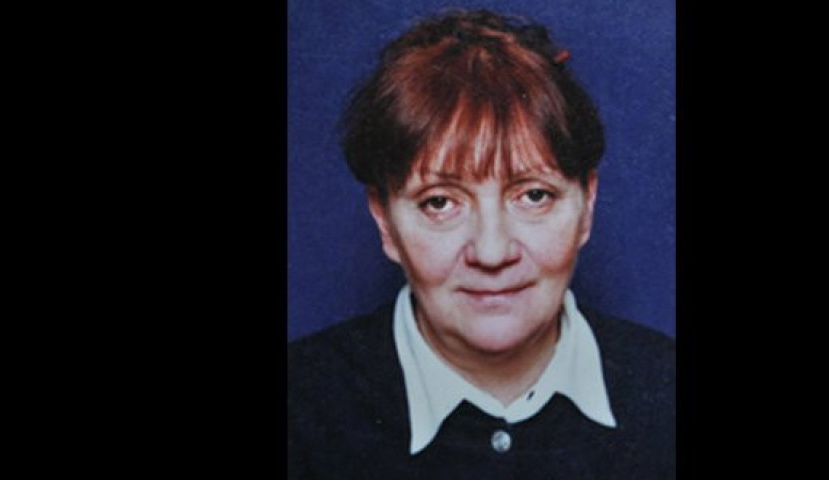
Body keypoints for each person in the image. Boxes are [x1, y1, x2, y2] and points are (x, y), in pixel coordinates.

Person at [288, 9, 674, 479]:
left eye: (534, 196)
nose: (492, 253)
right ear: (385, 221)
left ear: (586, 205)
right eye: (440, 203)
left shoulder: (665, 391)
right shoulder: (301, 407)